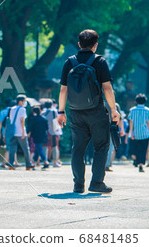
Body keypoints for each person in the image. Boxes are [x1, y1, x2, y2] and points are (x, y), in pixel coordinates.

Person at [58, 29, 120, 194]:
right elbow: (107, 88)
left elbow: (63, 90)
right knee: (101, 145)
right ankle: (97, 183)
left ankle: (78, 185)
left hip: (75, 112)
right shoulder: (100, 62)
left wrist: (61, 112)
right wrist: (113, 109)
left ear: (79, 44)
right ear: (95, 45)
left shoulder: (69, 62)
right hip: (96, 111)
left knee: (77, 148)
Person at [7, 94, 34, 171]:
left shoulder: (12, 109)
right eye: (24, 101)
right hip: (20, 132)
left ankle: (11, 165)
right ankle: (28, 165)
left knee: (12, 149)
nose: (24, 103)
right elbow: (22, 121)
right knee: (26, 149)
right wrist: (23, 132)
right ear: (20, 101)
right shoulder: (22, 109)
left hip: (12, 132)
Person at [128, 94, 149, 173]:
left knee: (136, 149)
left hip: (135, 133)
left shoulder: (132, 110)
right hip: (145, 133)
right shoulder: (148, 110)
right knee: (143, 150)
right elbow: (148, 123)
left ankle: (136, 160)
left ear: (136, 101)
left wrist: (131, 132)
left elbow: (131, 122)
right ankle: (141, 164)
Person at [0, 99, 18, 168]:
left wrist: (0, 133)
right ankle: (14, 162)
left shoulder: (3, 112)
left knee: (8, 147)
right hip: (14, 132)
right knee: (12, 147)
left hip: (5, 132)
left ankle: (7, 162)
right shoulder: (15, 115)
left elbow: (0, 123)